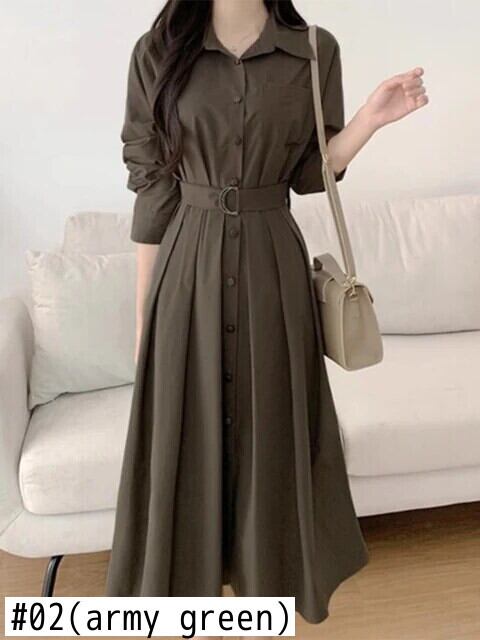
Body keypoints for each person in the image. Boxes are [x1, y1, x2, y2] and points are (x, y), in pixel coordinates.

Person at [105, 0, 428, 634]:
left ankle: (262, 607)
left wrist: (369, 120)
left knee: (271, 433)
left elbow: (309, 172)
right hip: (187, 268)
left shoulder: (313, 48)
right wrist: (146, 319)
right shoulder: (158, 49)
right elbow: (153, 187)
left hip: (272, 268)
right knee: (184, 436)